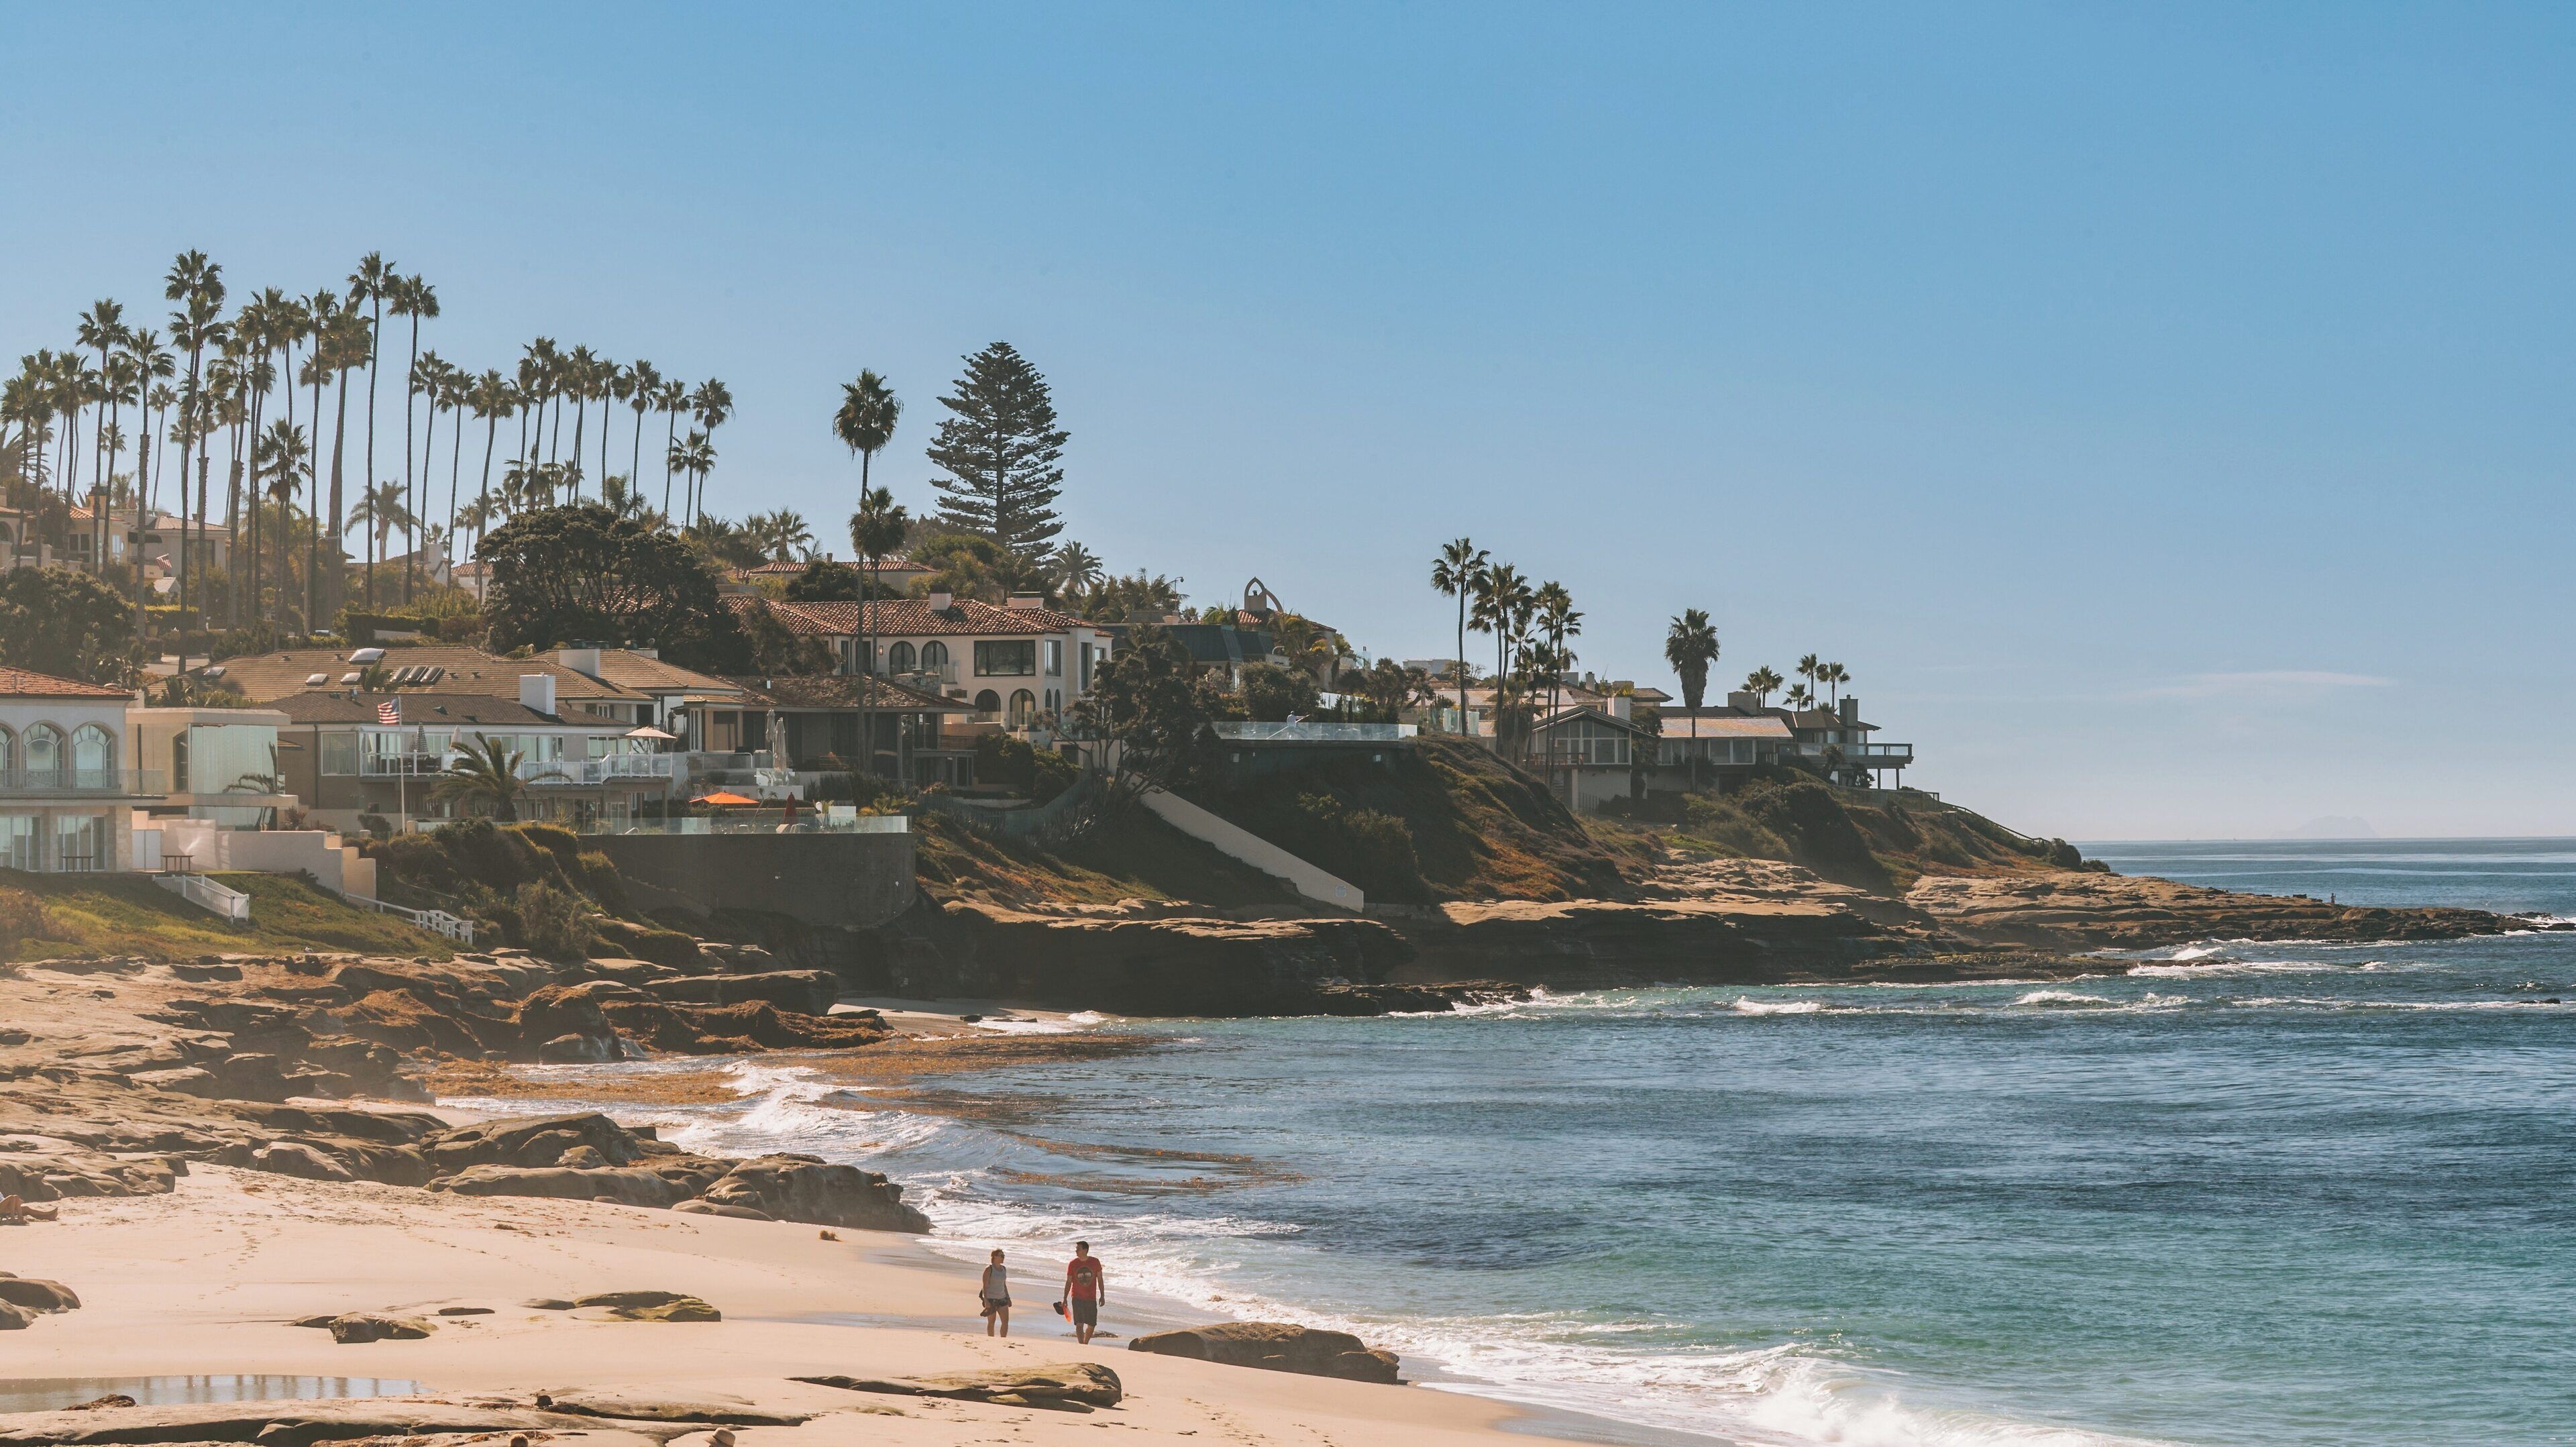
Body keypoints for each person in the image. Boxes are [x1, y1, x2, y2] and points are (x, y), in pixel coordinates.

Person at [1063, 1240, 1105, 1344]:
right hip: (1077, 1297)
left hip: (1091, 1297)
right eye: (1076, 1249)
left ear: (1085, 1250)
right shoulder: (1073, 1264)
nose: (1076, 1251)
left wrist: (1102, 1295)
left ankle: (1085, 1343)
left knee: (1092, 1324)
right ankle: (1081, 1345)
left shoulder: (1095, 1262)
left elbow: (1100, 1279)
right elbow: (1069, 1282)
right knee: (1079, 1323)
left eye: (1078, 1249)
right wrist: (1064, 1298)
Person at [979, 1248, 1011, 1337]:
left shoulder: (1004, 1269)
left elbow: (1004, 1285)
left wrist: (1008, 1298)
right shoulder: (989, 1269)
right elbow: (985, 1286)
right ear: (995, 1257)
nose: (1003, 1258)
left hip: (1002, 1298)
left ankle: (1003, 1340)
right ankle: (991, 1340)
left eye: (1003, 1256)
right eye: (1001, 1256)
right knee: (991, 1322)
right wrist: (986, 1302)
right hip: (991, 1299)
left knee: (1005, 1322)